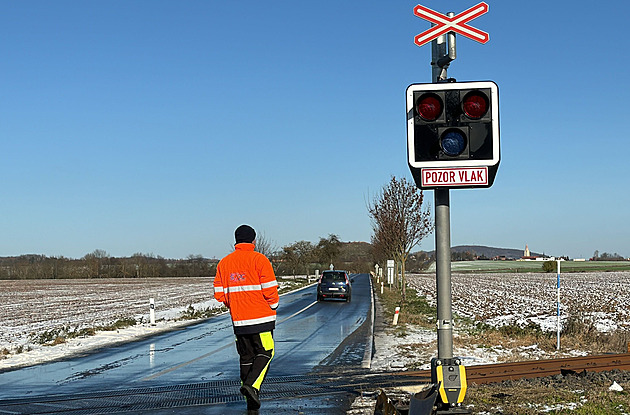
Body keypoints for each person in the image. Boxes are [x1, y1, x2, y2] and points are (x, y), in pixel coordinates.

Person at [213, 225, 279, 412]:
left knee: (246, 356)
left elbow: (219, 293)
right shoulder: (260, 260)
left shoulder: (224, 263)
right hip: (261, 318)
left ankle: (250, 400)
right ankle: (252, 387)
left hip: (239, 320)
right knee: (266, 352)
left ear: (236, 240)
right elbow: (270, 289)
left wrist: (235, 304)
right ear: (253, 240)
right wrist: (273, 305)